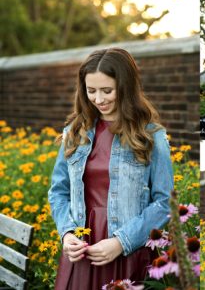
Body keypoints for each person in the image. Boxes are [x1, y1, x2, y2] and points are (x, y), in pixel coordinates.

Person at [48, 48, 174, 289]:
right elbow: (58, 192)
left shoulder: (151, 136)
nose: (98, 99)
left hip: (127, 250)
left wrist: (120, 242)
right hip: (81, 252)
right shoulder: (74, 133)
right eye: (91, 91)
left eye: (107, 91)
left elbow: (164, 202)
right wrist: (67, 234)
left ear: (125, 87)